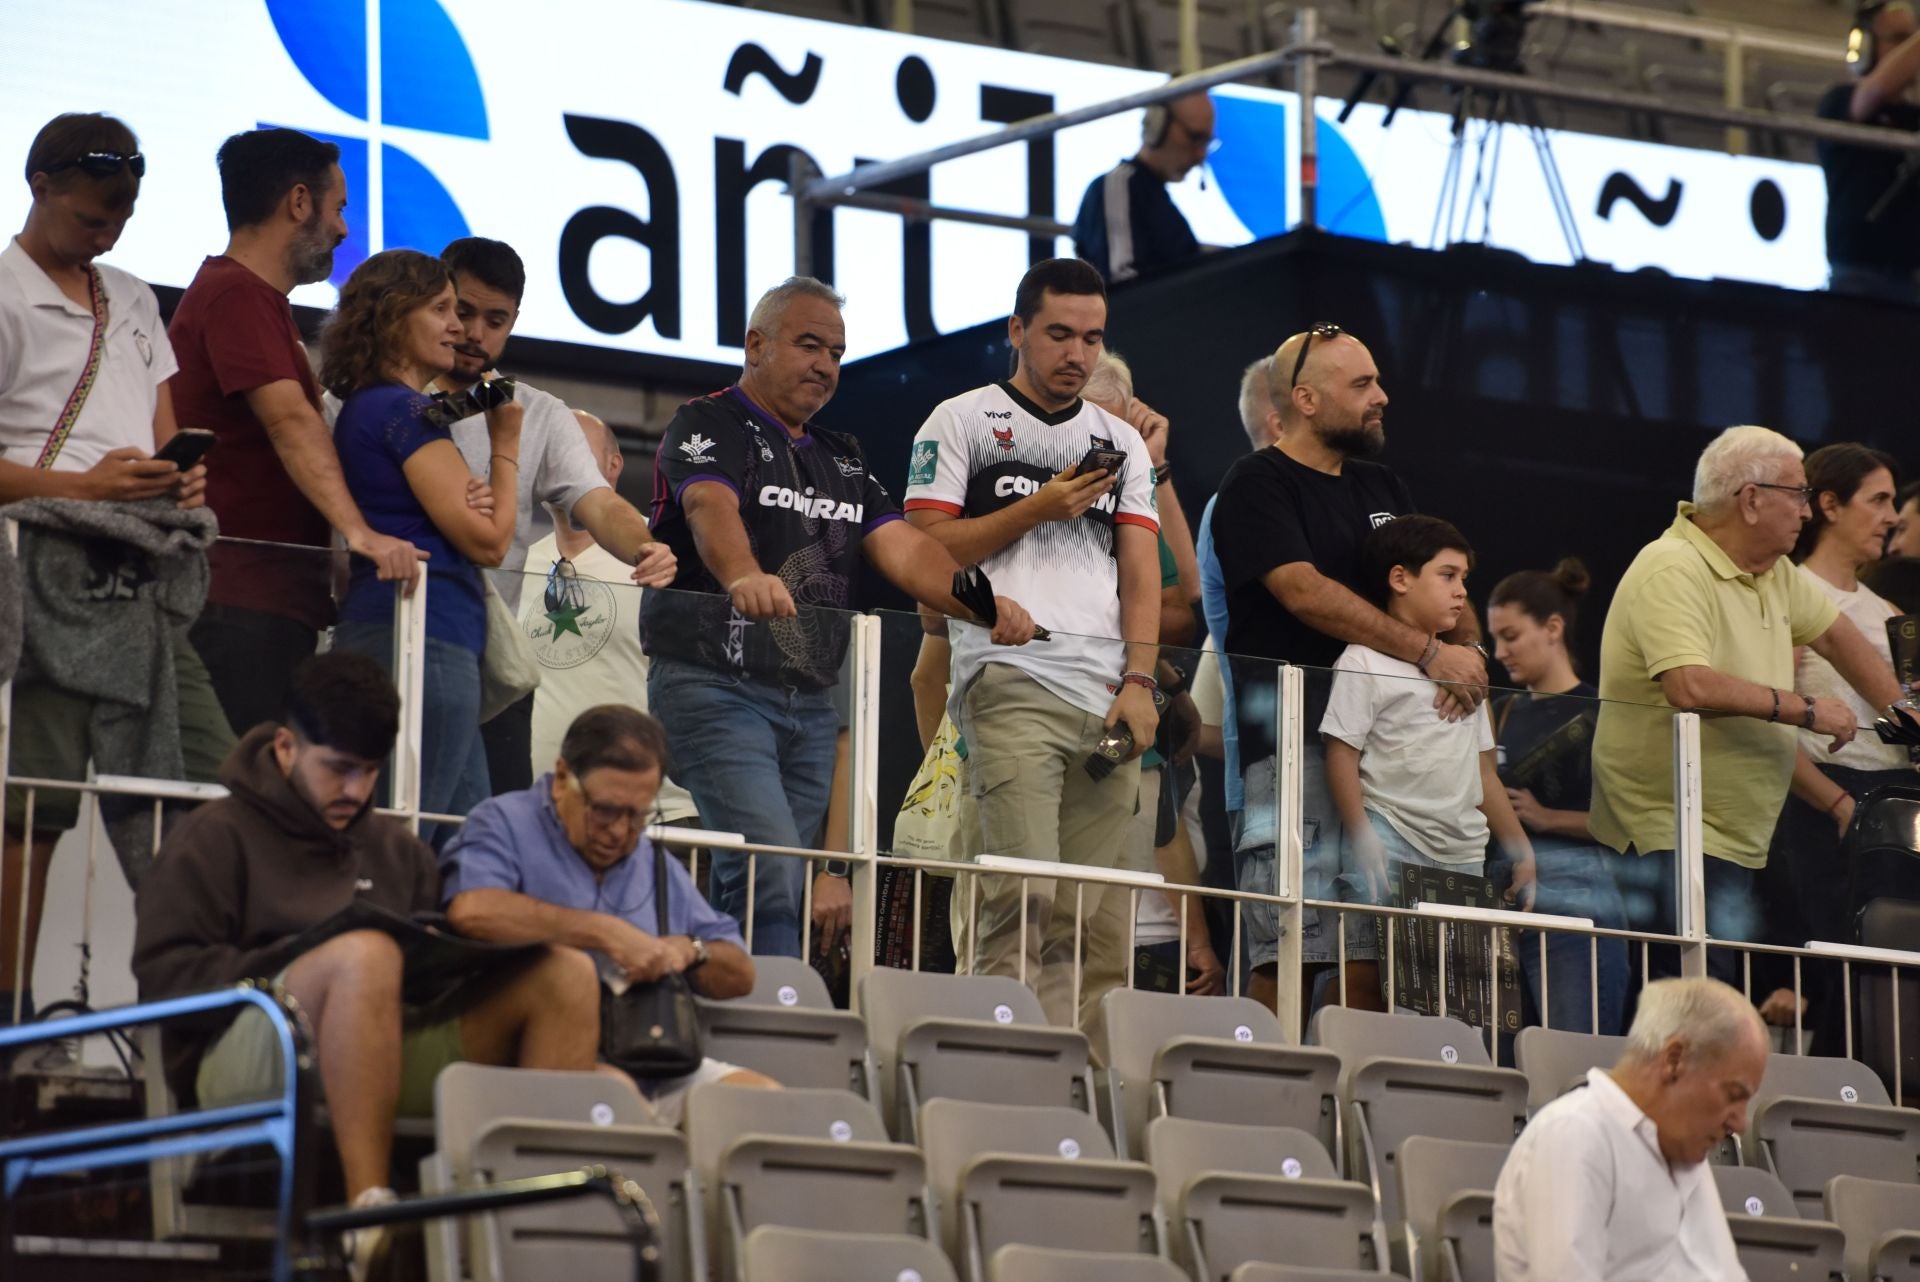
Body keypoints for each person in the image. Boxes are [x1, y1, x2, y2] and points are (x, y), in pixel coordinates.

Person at [130, 653, 603, 1236]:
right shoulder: (209, 838)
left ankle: (541, 1231)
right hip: (245, 1051)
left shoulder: (398, 851)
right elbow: (164, 981)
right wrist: (307, 959)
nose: (356, 789)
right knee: (366, 952)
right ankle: (369, 1220)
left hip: (385, 1041)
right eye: (339, 769)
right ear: (284, 747)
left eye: (370, 771)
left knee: (567, 973)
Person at [643, 276, 1034, 957]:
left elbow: (908, 550)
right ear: (755, 345)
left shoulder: (843, 456)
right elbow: (709, 506)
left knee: (775, 888)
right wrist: (742, 575)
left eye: (837, 352)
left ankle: (746, 1015)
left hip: (811, 704)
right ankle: (752, 1018)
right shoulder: (706, 421)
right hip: (713, 684)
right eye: (808, 345)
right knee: (770, 869)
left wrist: (982, 602)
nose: (825, 364)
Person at [0, 112, 231, 1024]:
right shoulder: (5, 292)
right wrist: (84, 486)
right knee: (37, 807)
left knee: (206, 786)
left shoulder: (133, 297)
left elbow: (157, 421)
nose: (107, 234)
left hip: (141, 572)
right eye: (93, 215)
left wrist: (178, 475)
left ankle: (198, 1016)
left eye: (122, 218)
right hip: (42, 565)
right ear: (40, 183)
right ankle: (14, 1022)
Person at [904, 257, 1162, 1034]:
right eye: (1058, 334)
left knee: (1090, 926)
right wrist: (1037, 508)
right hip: (1009, 680)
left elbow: (1143, 577)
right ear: (1016, 331)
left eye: (1091, 338)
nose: (1076, 354)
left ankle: (1067, 1099)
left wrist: (1141, 681)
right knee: (1022, 900)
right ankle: (999, 1073)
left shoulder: (1122, 442)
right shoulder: (959, 420)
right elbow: (921, 552)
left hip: (1109, 702)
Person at [1209, 325, 1487, 1018]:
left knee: (1371, 964)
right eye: (1361, 385)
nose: (1382, 397)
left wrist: (1470, 654)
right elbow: (1300, 590)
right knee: (1288, 955)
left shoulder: (1381, 482)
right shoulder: (1256, 483)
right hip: (1295, 749)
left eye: (1377, 381)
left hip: (1389, 765)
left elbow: (1442, 578)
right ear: (1304, 398)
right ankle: (1269, 1106)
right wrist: (1427, 654)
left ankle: (1360, 1113)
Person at [1590, 426, 1907, 989]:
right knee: (1696, 999)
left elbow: (1838, 638)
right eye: (1799, 494)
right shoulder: (1672, 566)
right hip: (1675, 827)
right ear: (1752, 499)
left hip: (1737, 832)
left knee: (1714, 997)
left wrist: (1906, 716)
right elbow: (1688, 685)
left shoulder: (1774, 572)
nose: (1807, 513)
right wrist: (1807, 709)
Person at [175, 127, 423, 737]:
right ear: (298, 203)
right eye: (338, 208)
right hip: (238, 602)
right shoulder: (237, 295)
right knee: (242, 805)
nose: (343, 229)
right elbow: (289, 422)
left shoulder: (256, 303)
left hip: (265, 604)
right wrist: (360, 534)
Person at [440, 705, 776, 1125]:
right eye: (604, 810)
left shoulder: (652, 862)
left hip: (655, 1060)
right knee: (615, 1096)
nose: (619, 831)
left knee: (768, 1106)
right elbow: (472, 911)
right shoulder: (505, 822)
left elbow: (741, 973)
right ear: (563, 779)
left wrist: (690, 950)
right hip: (534, 1058)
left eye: (637, 815)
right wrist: (604, 931)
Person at [434, 237, 676, 794]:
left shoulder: (535, 412)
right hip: (395, 638)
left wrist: (643, 545)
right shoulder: (387, 397)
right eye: (463, 312)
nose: (475, 333)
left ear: (514, 321)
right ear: (437, 301)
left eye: (495, 320)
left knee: (483, 833)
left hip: (489, 665)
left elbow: (599, 500)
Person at [322, 250, 522, 843]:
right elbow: (490, 539)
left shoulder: (377, 408)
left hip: (416, 638)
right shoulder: (402, 409)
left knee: (460, 852)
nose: (458, 328)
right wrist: (504, 442)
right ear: (393, 317)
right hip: (419, 641)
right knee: (400, 843)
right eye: (441, 309)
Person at [1320, 517, 1536, 1011]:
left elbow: (1485, 773)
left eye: (1464, 579)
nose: (1462, 592)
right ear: (1400, 579)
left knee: (1451, 1002)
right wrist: (1362, 835)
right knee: (1368, 979)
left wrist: (1520, 848)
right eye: (1448, 575)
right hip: (1390, 837)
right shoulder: (1362, 660)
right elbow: (1342, 753)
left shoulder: (1468, 670)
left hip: (1462, 851)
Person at [1081, 353, 1222, 997]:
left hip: (1154, 913)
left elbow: (1185, 602)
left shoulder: (1132, 490)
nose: (1109, 449)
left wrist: (1154, 466)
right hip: (1115, 909)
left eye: (1121, 433)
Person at [1766, 444, 1913, 1043]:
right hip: (1826, 800)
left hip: (1899, 801)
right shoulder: (1791, 594)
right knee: (1839, 965)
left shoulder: (1893, 614)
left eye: (1895, 503)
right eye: (1878, 500)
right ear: (1828, 504)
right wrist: (1834, 802)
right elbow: (1770, 722)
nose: (1892, 517)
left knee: (1892, 968)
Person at [1493, 977, 1767, 1282]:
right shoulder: (1574, 1134)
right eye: (1733, 1095)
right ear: (1674, 1060)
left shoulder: (1682, 1146)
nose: (1740, 1123)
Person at [521, 409, 698, 823]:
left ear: (614, 465)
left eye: (575, 449)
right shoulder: (520, 564)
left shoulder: (661, 552)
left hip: (656, 817)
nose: (560, 463)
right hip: (546, 817)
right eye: (549, 451)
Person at [1488, 557, 1630, 1035]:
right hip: (1503, 887)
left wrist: (1549, 818)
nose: (1499, 651)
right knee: (1501, 1066)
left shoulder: (1603, 709)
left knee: (1574, 1054)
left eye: (1510, 636)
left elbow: (1634, 818)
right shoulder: (1500, 710)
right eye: (1494, 639)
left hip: (1577, 883)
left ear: (1553, 627)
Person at [1818, 1, 1920, 301]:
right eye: (1901, 39)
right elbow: (1873, 93)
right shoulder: (1839, 101)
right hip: (1858, 278)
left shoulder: (1913, 117)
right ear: (1864, 47)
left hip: (1909, 279)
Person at [1073, 93, 1213, 284]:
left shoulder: (1158, 202)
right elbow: (1123, 284)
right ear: (1157, 124)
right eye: (1194, 137)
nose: (1200, 154)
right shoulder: (1119, 187)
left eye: (1206, 143)